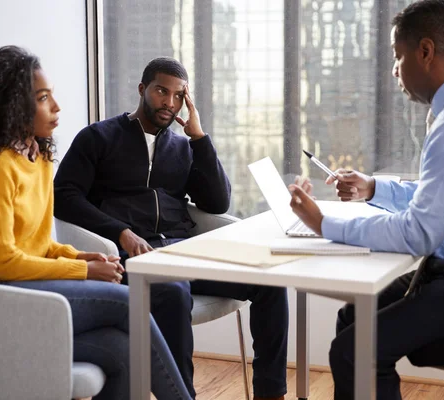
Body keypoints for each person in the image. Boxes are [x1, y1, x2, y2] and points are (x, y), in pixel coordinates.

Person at [0, 46, 191, 400]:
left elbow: (36, 244)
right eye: (42, 98)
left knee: (121, 349)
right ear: (11, 106)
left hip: (13, 282)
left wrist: (82, 257)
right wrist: (82, 272)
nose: (56, 106)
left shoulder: (36, 158)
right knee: (125, 301)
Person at [287, 0, 444, 399]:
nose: (394, 70)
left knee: (352, 352)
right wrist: (375, 189)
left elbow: (419, 233)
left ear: (425, 51)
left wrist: (323, 223)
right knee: (352, 317)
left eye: (398, 57)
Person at [54, 56, 288, 400]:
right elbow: (63, 196)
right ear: (142, 89)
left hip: (182, 249)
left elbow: (217, 202)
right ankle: (182, 395)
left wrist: (199, 138)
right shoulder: (98, 137)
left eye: (178, 95)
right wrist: (120, 231)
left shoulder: (182, 147)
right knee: (174, 289)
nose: (169, 102)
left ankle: (271, 393)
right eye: (161, 91)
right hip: (125, 256)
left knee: (268, 279)